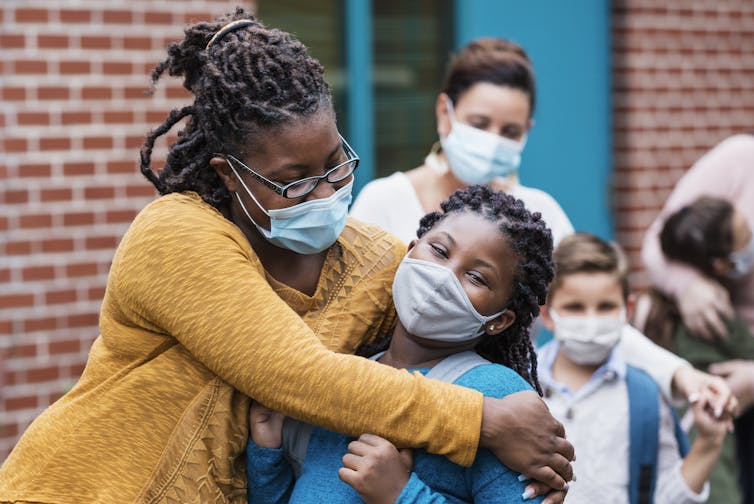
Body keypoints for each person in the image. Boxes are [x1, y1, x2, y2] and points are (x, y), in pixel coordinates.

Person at [0, 10, 576, 503]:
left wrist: (540, 436)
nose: (326, 193)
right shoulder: (175, 233)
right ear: (230, 175)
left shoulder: (373, 261)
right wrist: (485, 423)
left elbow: (447, 318)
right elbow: (302, 376)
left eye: (333, 163)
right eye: (294, 180)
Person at [246, 186, 551, 503]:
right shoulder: (349, 380)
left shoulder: (497, 396)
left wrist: (401, 494)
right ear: (409, 252)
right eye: (439, 251)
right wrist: (267, 456)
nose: (442, 277)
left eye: (476, 277)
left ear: (499, 320)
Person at [539, 233, 730, 503]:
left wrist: (708, 444)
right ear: (547, 314)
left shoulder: (646, 397)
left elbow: (666, 496)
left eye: (606, 306)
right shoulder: (522, 385)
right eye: (575, 307)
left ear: (627, 310)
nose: (591, 321)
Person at [349, 37, 574, 246]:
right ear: (445, 113)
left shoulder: (542, 214)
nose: (493, 141)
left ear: (527, 130)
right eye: (479, 124)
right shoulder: (384, 203)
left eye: (510, 131)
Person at [635, 196, 754, 503]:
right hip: (711, 452)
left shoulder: (650, 310)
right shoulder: (719, 316)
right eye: (745, 236)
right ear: (720, 264)